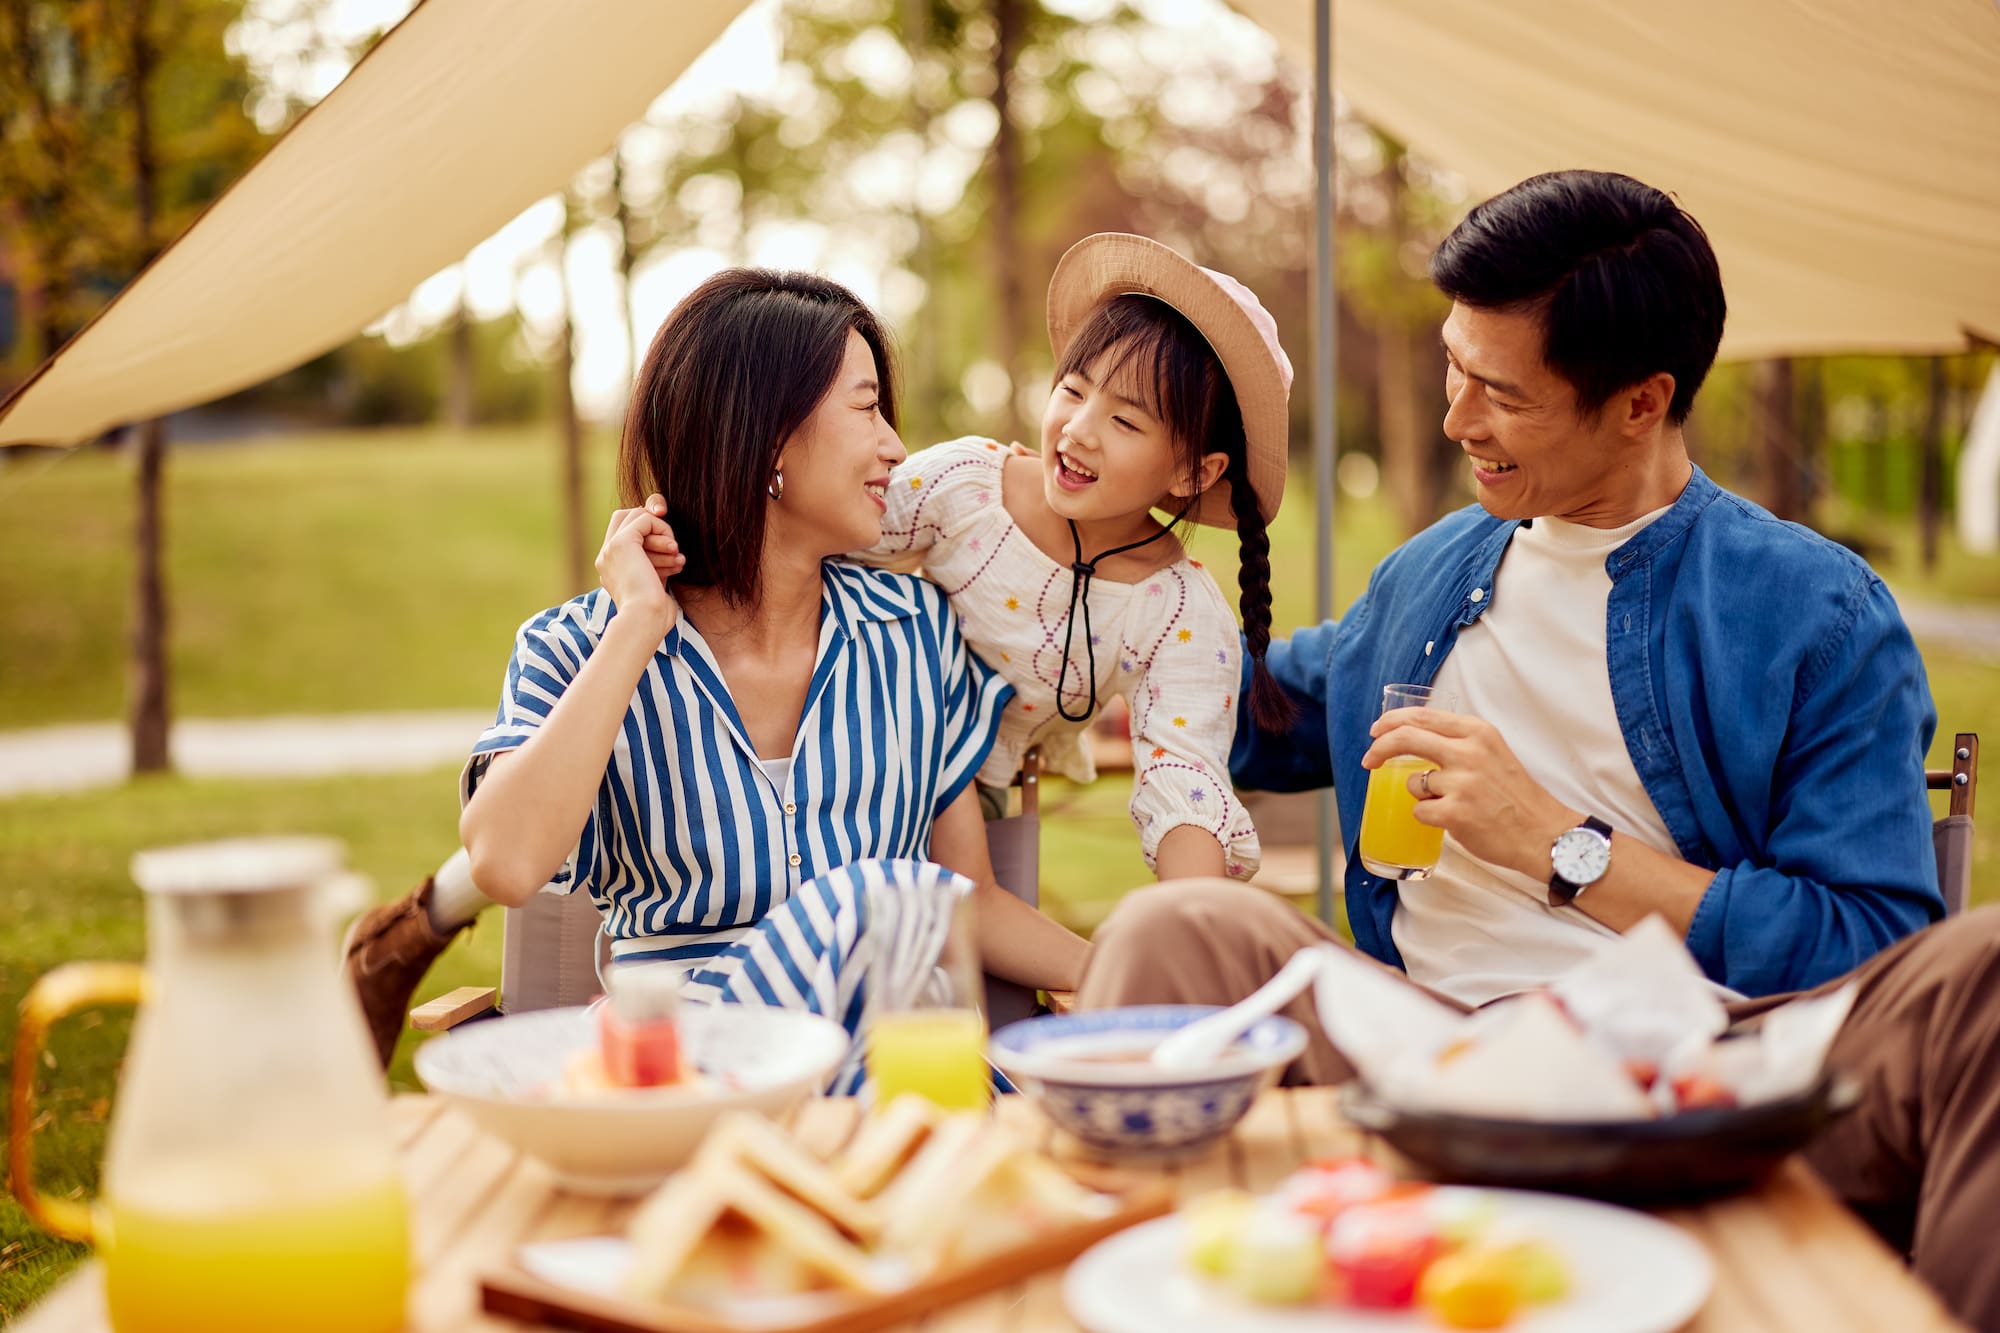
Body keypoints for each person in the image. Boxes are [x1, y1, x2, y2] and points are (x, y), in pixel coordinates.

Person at [1077, 169, 2000, 1325]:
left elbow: (1868, 942)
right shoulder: (1430, 571)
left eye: (1499, 393)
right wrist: (1089, 594)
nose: (1457, 418)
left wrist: (1564, 849)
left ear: (1638, 401)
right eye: (1453, 370)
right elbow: (1252, 714)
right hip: (1426, 1061)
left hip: (1701, 1074)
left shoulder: (1809, 612)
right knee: (1176, 924)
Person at [350, 268, 1089, 1082]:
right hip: (693, 1084)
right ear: (770, 434)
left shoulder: (912, 631)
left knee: (891, 909)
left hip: (889, 1081)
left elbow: (964, 896)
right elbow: (505, 862)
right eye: (866, 405)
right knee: (875, 899)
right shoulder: (577, 648)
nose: (895, 447)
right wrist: (637, 626)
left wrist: (1107, 970)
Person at [850, 233, 1295, 880]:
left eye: (1127, 422)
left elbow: (1185, 772)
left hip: (983, 796)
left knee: (985, 962)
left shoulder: (1174, 609)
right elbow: (828, 542)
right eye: (1074, 390)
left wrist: (1193, 910)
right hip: (847, 761)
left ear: (1196, 471)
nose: (1080, 429)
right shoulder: (967, 487)